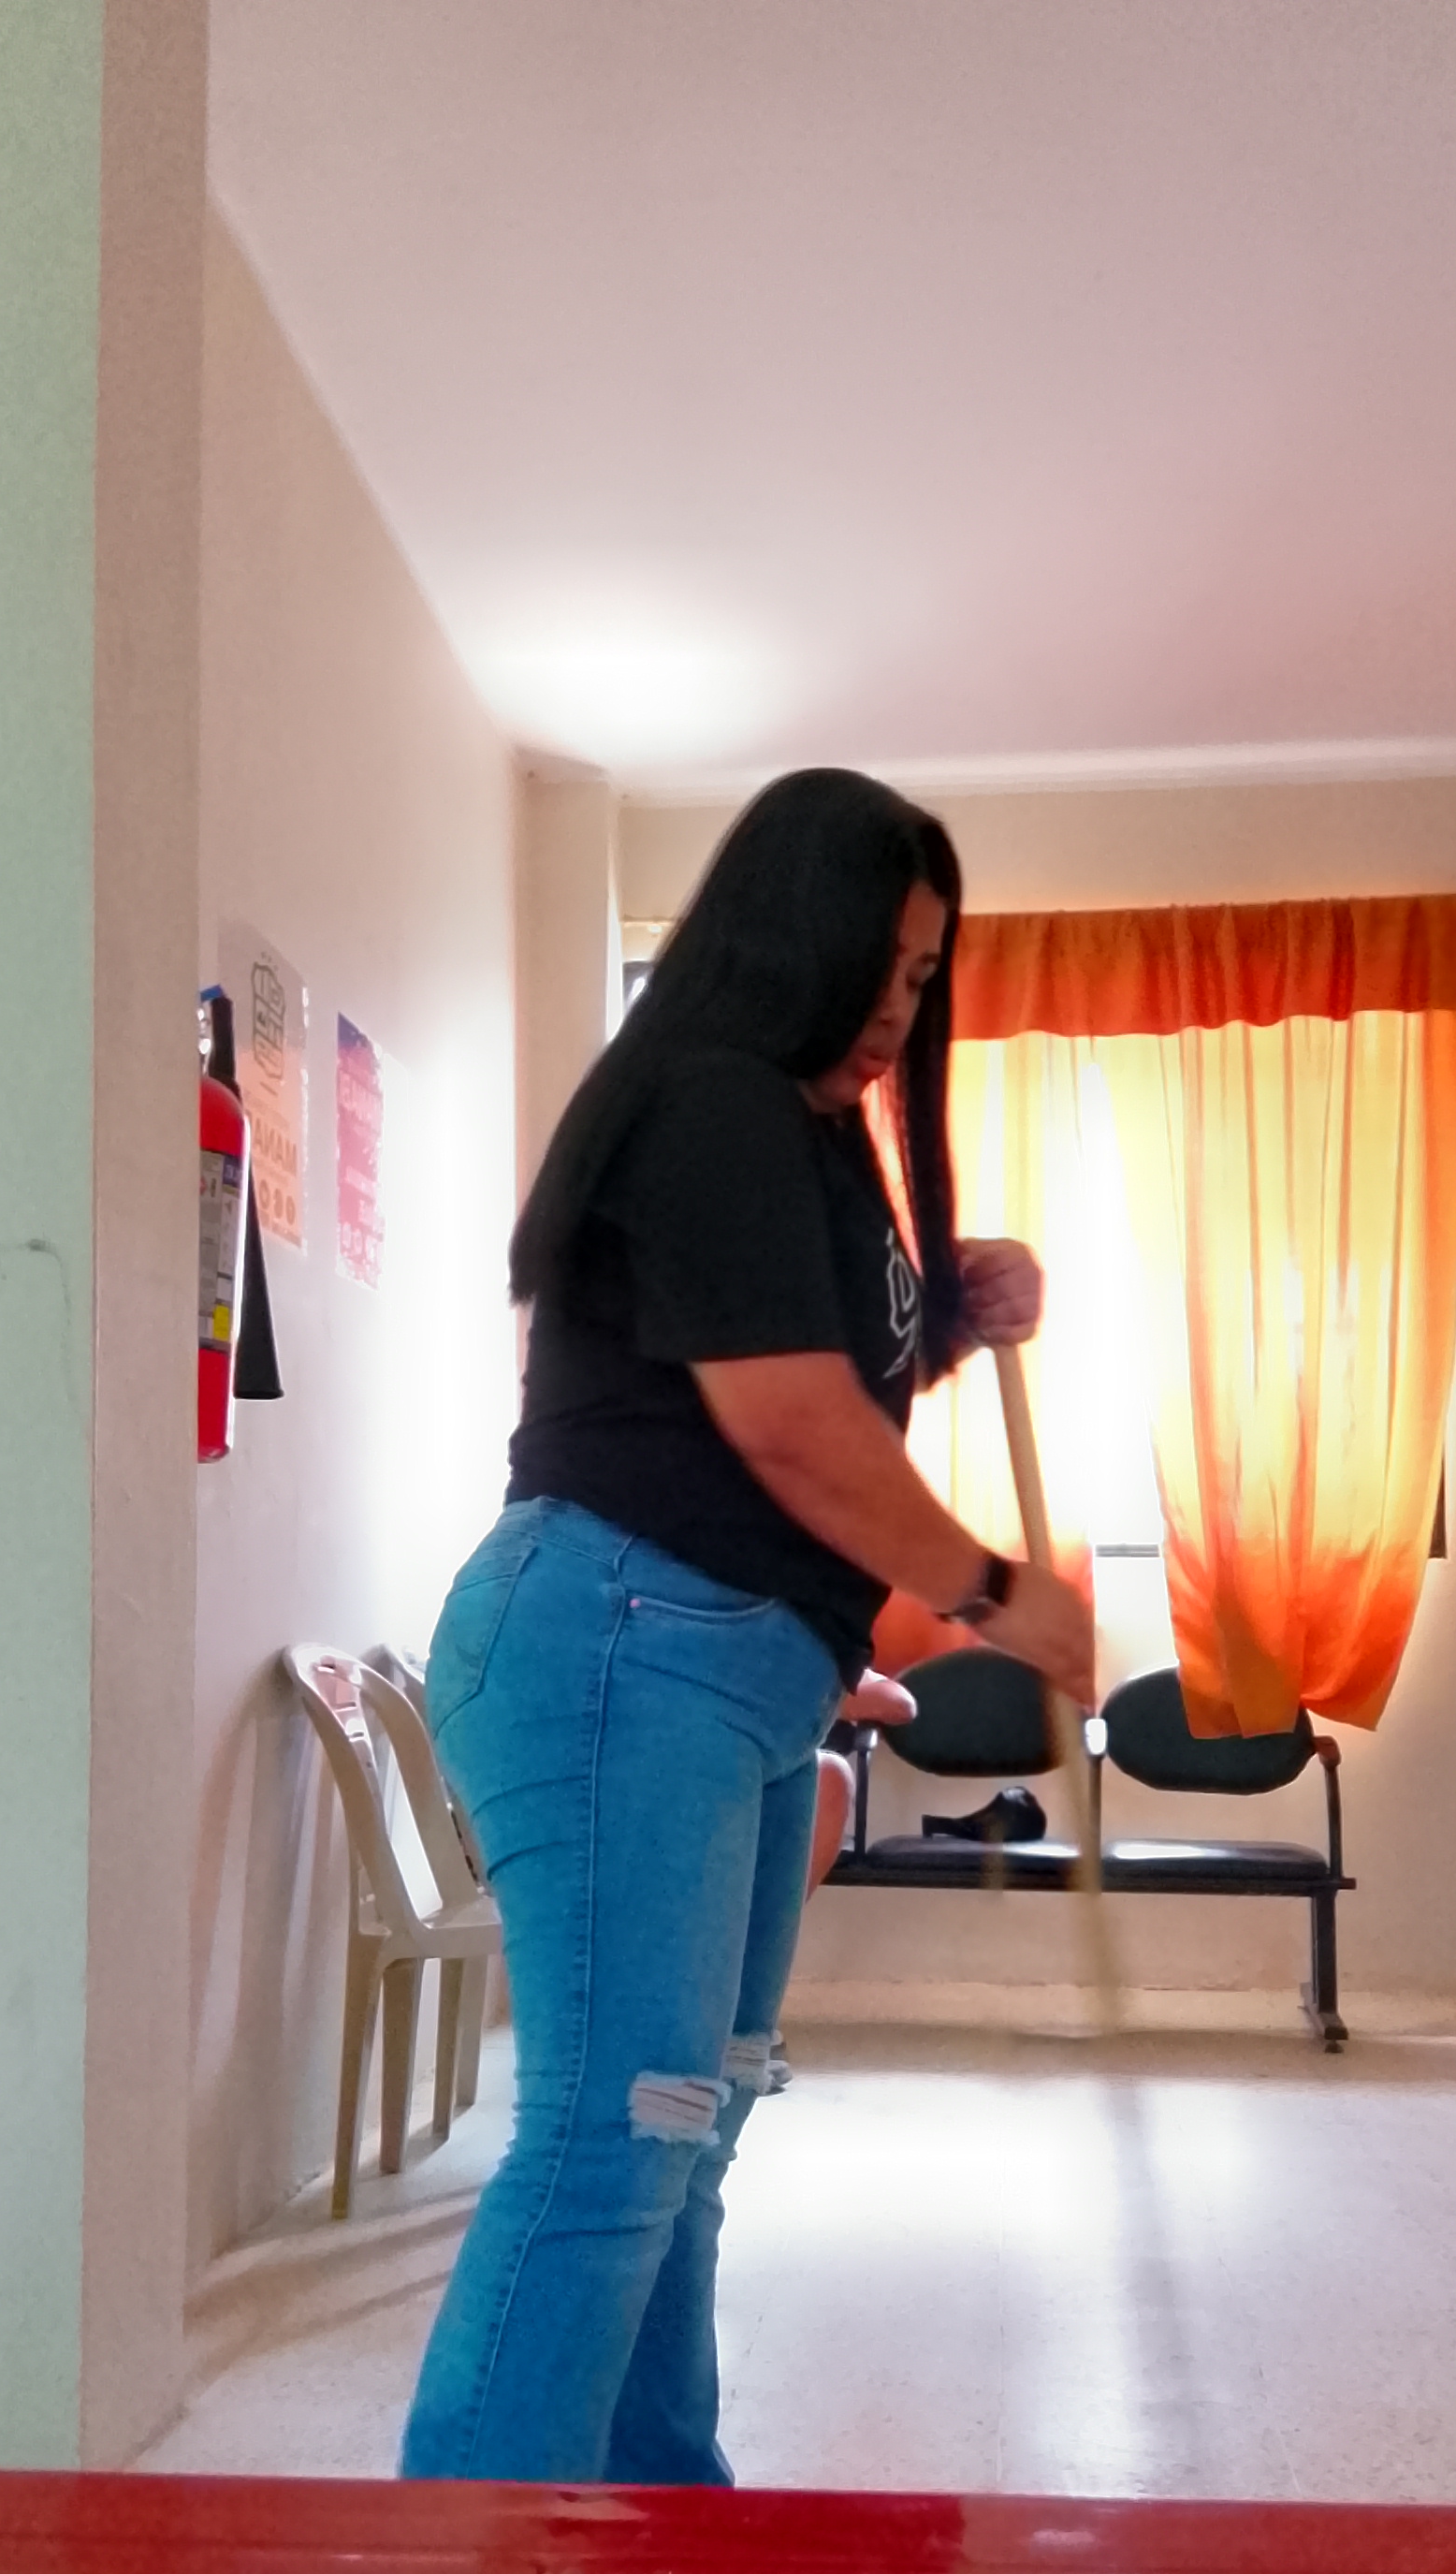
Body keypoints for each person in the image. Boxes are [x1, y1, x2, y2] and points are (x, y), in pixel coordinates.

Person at [399, 767, 1094, 2487]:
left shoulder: (804, 1134)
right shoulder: (711, 1102)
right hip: (623, 1639)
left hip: (723, 1664)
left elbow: (786, 1365)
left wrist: (947, 1310)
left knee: (685, 2132)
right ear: (786, 938)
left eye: (923, 974)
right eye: (876, 963)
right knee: (616, 2136)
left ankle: (659, 2539)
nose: (897, 1008)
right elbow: (788, 1425)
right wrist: (993, 1592)